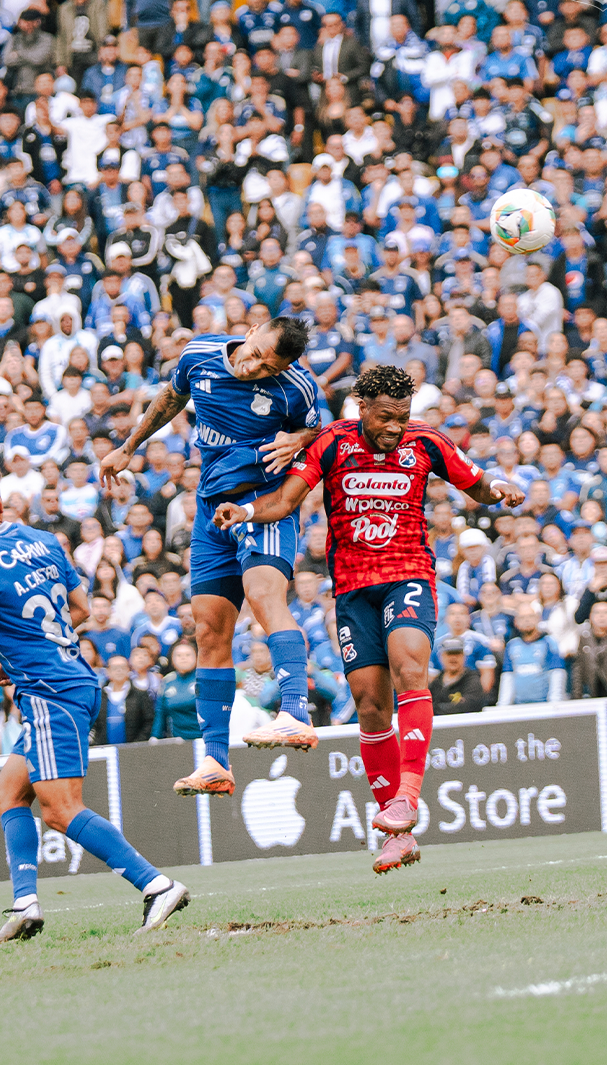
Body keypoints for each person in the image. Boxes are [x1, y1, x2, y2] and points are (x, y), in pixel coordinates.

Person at [213, 365, 524, 873]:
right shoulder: (333, 443)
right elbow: (287, 500)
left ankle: (407, 798)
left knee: (410, 669)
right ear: (363, 408)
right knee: (370, 705)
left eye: (402, 417)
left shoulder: (426, 442)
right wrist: (245, 513)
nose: (395, 427)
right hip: (353, 589)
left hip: (408, 575)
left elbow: (478, 483)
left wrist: (501, 487)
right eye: (385, 417)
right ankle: (397, 836)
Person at [0, 459, 190, 942]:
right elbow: (80, 609)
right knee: (9, 793)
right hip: (69, 676)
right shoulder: (42, 540)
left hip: (48, 692)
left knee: (59, 810)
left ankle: (157, 885)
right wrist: (19, 650)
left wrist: (10, 647)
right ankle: (25, 903)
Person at [101, 317, 322, 799]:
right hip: (210, 508)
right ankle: (216, 762)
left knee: (263, 597)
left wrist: (302, 439)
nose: (256, 367)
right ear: (253, 330)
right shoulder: (199, 354)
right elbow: (171, 397)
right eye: (258, 354)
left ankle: (294, 713)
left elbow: (320, 432)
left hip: (262, 502)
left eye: (270, 367)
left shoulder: (296, 387)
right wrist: (129, 447)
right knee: (208, 630)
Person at [429, 636, 487, 715]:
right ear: (441, 657)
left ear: (464, 656)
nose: (453, 658)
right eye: (449, 654)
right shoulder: (436, 683)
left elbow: (470, 705)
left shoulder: (472, 680)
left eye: (457, 653)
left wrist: (436, 709)